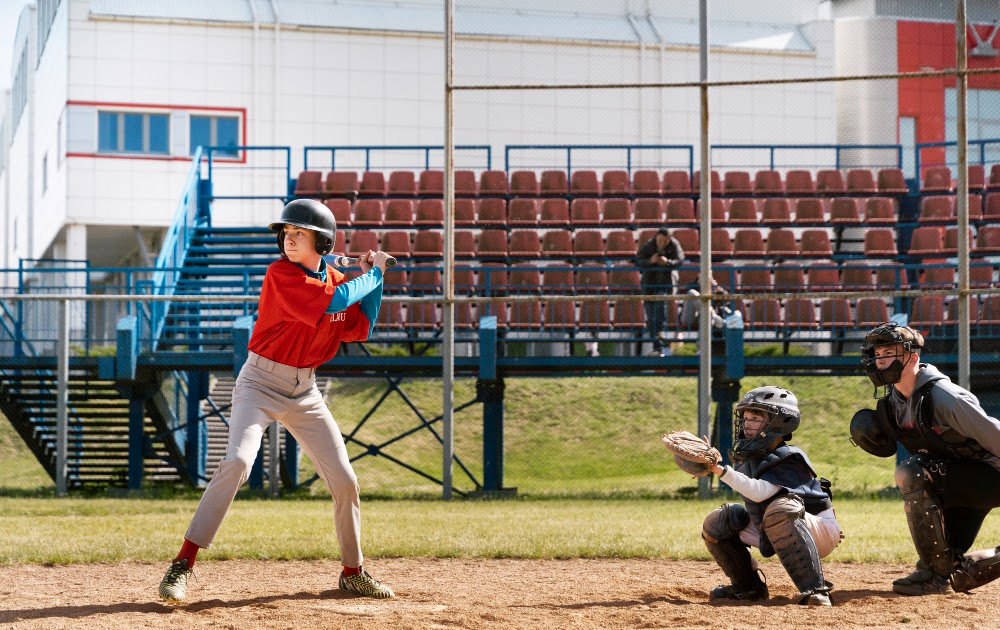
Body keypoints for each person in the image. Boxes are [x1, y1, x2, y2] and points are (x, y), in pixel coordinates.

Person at [158, 198, 396, 602]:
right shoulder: (281, 274)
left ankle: (353, 572)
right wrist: (370, 273)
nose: (289, 240)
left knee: (345, 479)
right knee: (236, 461)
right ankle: (182, 564)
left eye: (300, 234)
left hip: (306, 392)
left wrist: (376, 279)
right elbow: (336, 302)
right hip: (259, 383)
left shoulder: (339, 279)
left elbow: (361, 326)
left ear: (322, 243)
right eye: (286, 233)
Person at [852, 322, 1000, 595]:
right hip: (964, 478)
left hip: (993, 475)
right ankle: (940, 571)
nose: (881, 361)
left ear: (914, 357)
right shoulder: (894, 403)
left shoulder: (946, 398)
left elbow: (995, 436)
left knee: (914, 473)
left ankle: (933, 574)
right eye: (877, 355)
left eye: (889, 353)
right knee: (951, 567)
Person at [702, 386, 842, 606]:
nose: (747, 422)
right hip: (773, 525)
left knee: (780, 509)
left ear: (780, 422)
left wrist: (720, 470)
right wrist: (702, 461)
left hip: (817, 529)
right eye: (745, 416)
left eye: (756, 417)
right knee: (719, 521)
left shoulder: (789, 458)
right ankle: (749, 588)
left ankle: (816, 590)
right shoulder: (751, 456)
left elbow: (760, 492)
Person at [634, 227, 684, 356]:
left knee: (659, 312)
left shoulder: (674, 244)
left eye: (665, 241)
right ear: (656, 237)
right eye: (660, 240)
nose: (661, 243)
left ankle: (660, 344)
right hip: (649, 285)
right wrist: (651, 261)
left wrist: (668, 263)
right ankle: (657, 346)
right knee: (651, 317)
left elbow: (680, 260)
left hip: (665, 285)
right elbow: (638, 260)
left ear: (669, 240)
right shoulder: (649, 245)